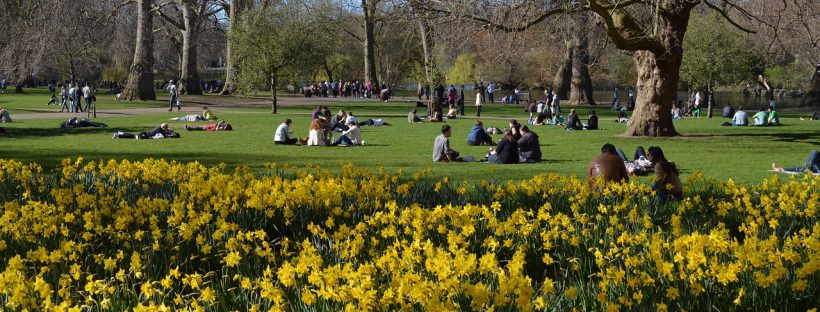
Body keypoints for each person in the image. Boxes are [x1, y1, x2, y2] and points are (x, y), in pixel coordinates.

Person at [113, 123, 178, 139]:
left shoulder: (161, 129)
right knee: (133, 136)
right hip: (144, 135)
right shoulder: (159, 130)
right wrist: (170, 135)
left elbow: (170, 130)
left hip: (145, 134)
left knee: (132, 135)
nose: (166, 129)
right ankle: (118, 135)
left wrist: (170, 133)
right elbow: (162, 136)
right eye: (165, 128)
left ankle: (120, 133)